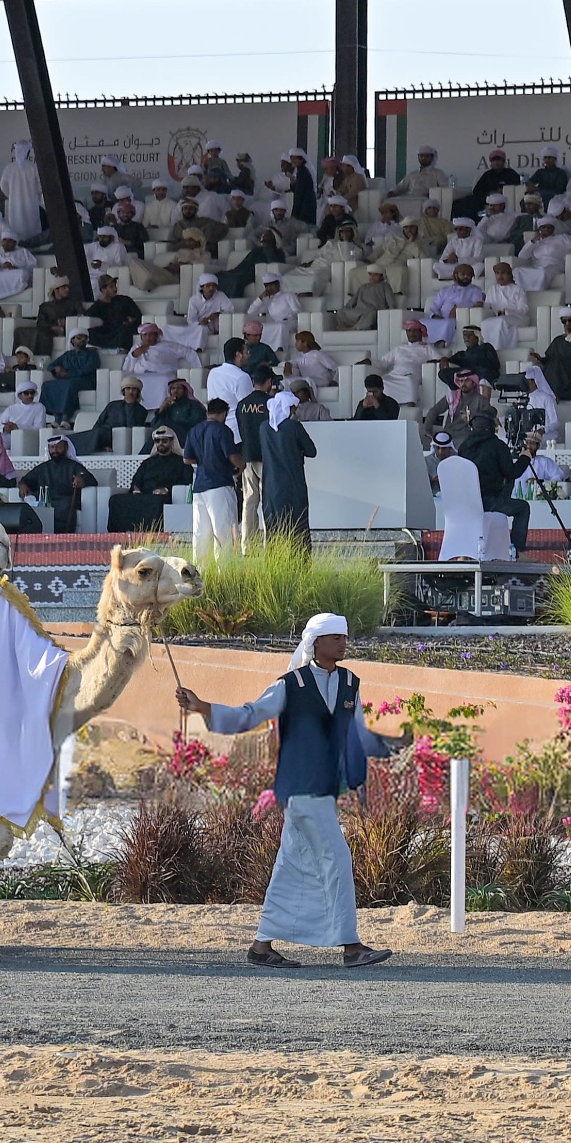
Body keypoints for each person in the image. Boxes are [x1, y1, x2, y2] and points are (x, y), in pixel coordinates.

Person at [174, 614, 394, 971]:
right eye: (335, 637)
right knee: (338, 858)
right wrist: (203, 707)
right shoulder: (291, 685)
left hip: (325, 789)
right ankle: (351, 947)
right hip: (301, 787)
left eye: (344, 637)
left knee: (291, 865)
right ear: (315, 644)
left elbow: (356, 735)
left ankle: (261, 947)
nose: (343, 643)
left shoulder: (352, 684)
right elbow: (251, 714)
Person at [183, 397, 241, 561]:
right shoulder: (222, 430)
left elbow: (187, 459)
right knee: (224, 532)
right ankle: (225, 574)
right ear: (224, 413)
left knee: (201, 534)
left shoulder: (194, 430)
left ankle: (199, 573)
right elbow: (232, 456)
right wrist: (242, 466)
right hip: (220, 484)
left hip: (200, 486)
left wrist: (204, 459)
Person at [18, 433, 91, 534]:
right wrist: (23, 484)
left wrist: (81, 479)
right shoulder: (42, 468)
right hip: (45, 503)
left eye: (58, 447)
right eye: (52, 447)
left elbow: (89, 478)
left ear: (65, 447)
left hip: (65, 503)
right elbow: (26, 480)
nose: (55, 450)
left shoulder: (73, 465)